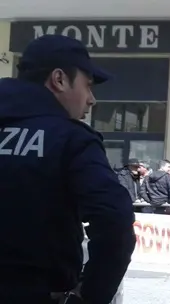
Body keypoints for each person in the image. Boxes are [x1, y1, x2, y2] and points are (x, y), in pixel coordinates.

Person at [0, 35, 135, 303]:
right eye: (88, 86)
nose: (91, 100)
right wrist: (90, 295)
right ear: (59, 79)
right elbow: (114, 221)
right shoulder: (72, 139)